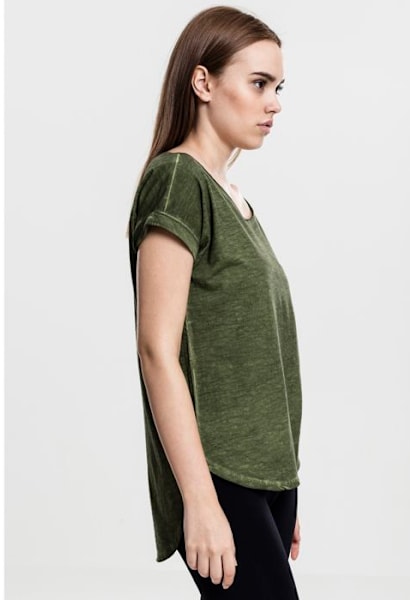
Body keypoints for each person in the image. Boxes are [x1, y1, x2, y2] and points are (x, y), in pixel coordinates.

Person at [127, 6, 303, 598]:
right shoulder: (180, 181)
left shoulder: (235, 200)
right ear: (203, 82)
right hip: (219, 477)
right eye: (258, 83)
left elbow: (258, 358)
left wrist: (282, 484)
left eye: (278, 88)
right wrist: (200, 500)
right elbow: (156, 350)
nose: (274, 103)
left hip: (264, 480)